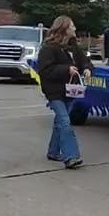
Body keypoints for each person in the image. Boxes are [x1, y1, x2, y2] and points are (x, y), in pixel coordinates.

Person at [35, 15, 92, 169]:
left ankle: (53, 152)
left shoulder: (74, 48)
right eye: (72, 26)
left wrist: (87, 68)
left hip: (70, 91)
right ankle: (71, 156)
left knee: (60, 122)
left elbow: (85, 61)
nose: (74, 28)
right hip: (54, 92)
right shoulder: (48, 48)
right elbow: (45, 70)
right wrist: (66, 69)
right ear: (64, 29)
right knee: (65, 121)